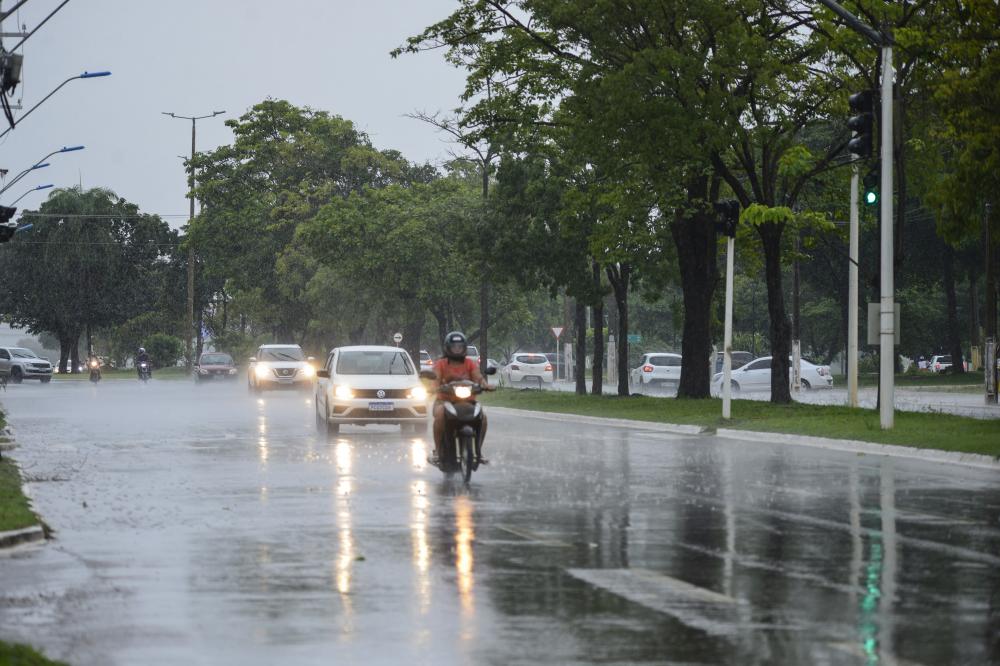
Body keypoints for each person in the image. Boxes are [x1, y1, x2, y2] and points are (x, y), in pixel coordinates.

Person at [430, 331, 494, 464]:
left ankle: (478, 452)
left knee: (483, 417)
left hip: (468, 402)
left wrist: (485, 385)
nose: (457, 349)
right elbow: (435, 379)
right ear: (448, 347)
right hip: (444, 400)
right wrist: (433, 387)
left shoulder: (470, 363)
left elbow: (478, 377)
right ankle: (437, 451)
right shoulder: (441, 364)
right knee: (440, 415)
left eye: (460, 346)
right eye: (454, 347)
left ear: (464, 347)